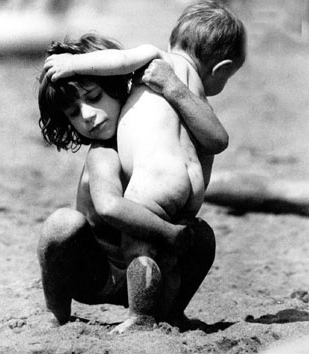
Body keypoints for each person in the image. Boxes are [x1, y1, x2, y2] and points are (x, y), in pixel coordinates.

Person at [40, 0, 246, 332]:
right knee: (62, 223)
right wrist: (168, 232)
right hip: (101, 273)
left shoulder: (152, 127)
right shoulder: (103, 151)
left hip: (155, 271)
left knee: (203, 236)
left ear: (116, 83)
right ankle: (56, 310)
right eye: (73, 113)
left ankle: (168, 313)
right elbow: (109, 206)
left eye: (93, 99)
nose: (88, 117)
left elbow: (217, 139)